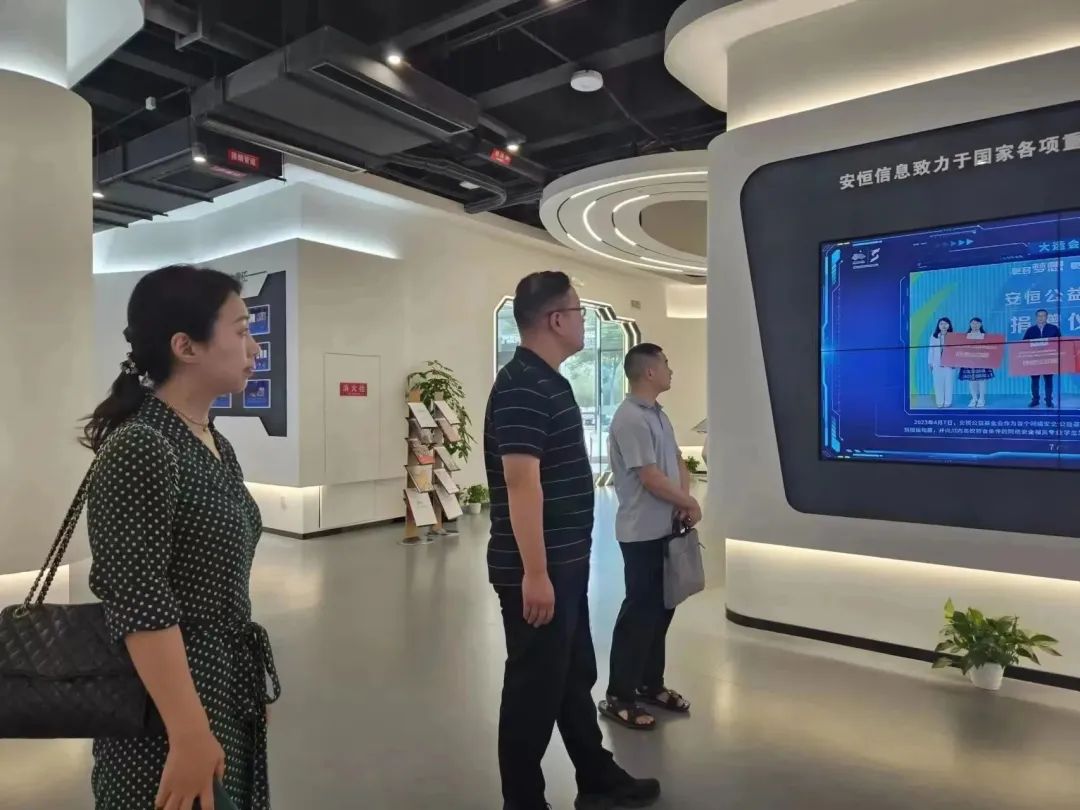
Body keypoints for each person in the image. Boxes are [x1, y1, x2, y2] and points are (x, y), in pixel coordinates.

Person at [84, 265, 280, 810]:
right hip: (165, 711)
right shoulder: (142, 446)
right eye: (241, 330)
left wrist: (243, 685)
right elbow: (138, 601)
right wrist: (189, 732)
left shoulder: (211, 440)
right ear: (185, 346)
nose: (254, 348)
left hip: (221, 686)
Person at [485, 271, 661, 810]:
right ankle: (523, 801)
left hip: (564, 564)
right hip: (538, 570)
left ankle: (596, 775)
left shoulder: (549, 381)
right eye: (580, 311)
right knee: (533, 691)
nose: (585, 321)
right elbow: (521, 482)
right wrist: (536, 574)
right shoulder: (522, 385)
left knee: (571, 675)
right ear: (556, 320)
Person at [600, 344, 700, 732]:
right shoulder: (630, 418)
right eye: (666, 363)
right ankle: (619, 695)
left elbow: (676, 462)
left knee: (662, 608)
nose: (671, 369)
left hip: (666, 528)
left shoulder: (658, 414)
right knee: (639, 613)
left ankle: (649, 684)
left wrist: (683, 501)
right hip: (641, 532)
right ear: (649, 372)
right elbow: (650, 477)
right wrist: (687, 501)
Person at [1023, 308, 1061, 408]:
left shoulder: (1054, 328)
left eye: (1043, 315)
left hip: (1048, 359)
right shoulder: (1030, 330)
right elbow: (1024, 344)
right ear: (1036, 317)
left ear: (1046, 317)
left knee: (1048, 380)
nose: (1041, 318)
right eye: (1039, 316)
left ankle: (1048, 400)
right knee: (1034, 381)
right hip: (1035, 360)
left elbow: (1060, 342)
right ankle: (1035, 400)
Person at [958, 317, 994, 409]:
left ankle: (982, 399)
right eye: (973, 323)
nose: (975, 325)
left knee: (981, 381)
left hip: (981, 361)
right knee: (971, 381)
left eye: (977, 323)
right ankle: (974, 398)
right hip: (969, 361)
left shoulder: (985, 336)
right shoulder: (965, 336)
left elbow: (990, 349)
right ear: (970, 325)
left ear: (981, 325)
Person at [928, 317, 955, 408]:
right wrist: (930, 363)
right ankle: (939, 401)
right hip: (936, 363)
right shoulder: (934, 336)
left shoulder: (953, 336)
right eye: (941, 324)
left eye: (946, 324)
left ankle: (948, 401)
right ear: (938, 325)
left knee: (949, 383)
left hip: (949, 364)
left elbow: (956, 351)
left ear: (949, 325)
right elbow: (931, 350)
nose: (943, 326)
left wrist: (955, 363)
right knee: (937, 383)